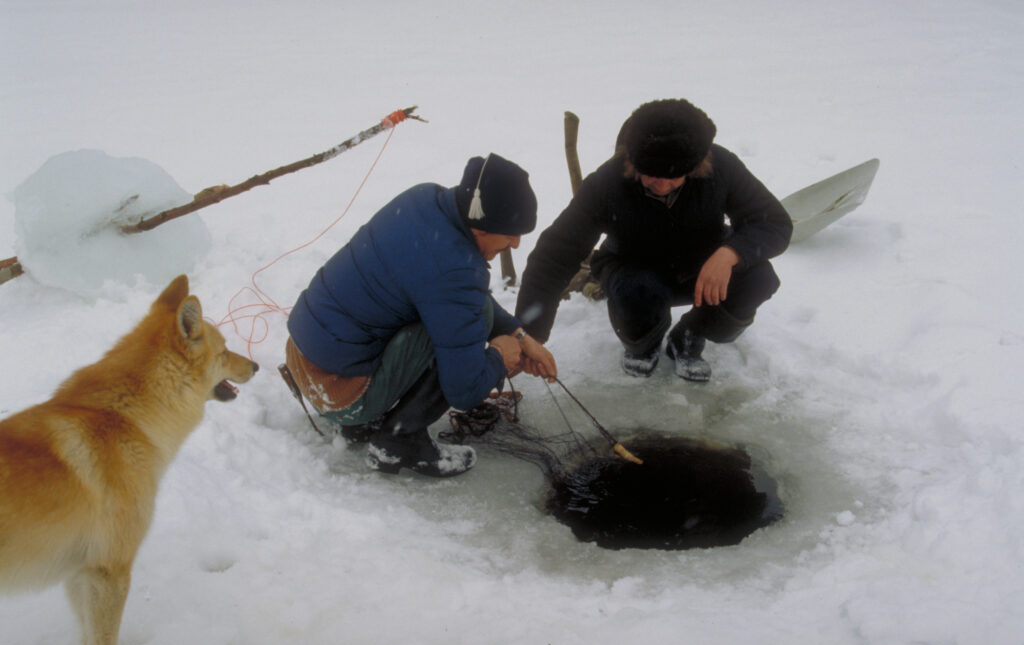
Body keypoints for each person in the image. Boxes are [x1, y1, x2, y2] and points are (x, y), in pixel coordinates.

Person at [285, 154, 557, 477]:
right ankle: (400, 441)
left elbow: (466, 300)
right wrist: (499, 356)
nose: (515, 243)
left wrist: (519, 336)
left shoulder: (426, 201)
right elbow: (464, 389)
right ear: (481, 225)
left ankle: (360, 424)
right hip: (338, 391)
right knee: (457, 331)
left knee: (459, 317)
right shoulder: (455, 268)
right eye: (511, 232)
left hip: (306, 358)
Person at [515, 99, 792, 382]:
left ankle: (691, 333)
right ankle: (643, 346)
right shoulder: (607, 182)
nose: (660, 185)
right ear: (632, 161)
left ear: (696, 165)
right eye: (650, 175)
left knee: (759, 278)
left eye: (673, 178)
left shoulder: (721, 167)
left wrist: (730, 253)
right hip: (633, 269)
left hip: (702, 267)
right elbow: (554, 255)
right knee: (636, 292)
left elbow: (774, 222)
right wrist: (529, 334)